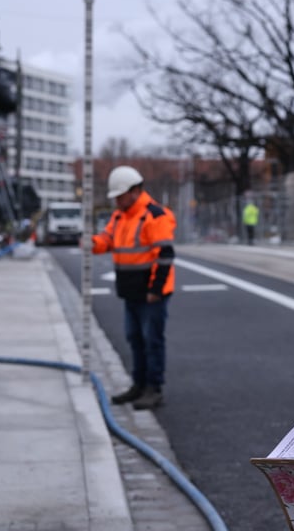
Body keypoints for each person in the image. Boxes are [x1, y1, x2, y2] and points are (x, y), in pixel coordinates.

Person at [91, 165, 177, 410]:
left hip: (151, 293)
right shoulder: (120, 217)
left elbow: (165, 255)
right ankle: (139, 384)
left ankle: (153, 387)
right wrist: (92, 243)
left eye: (120, 196)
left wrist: (156, 289)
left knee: (152, 340)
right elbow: (106, 240)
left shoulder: (155, 216)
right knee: (135, 338)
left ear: (135, 191)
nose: (116, 201)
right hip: (130, 290)